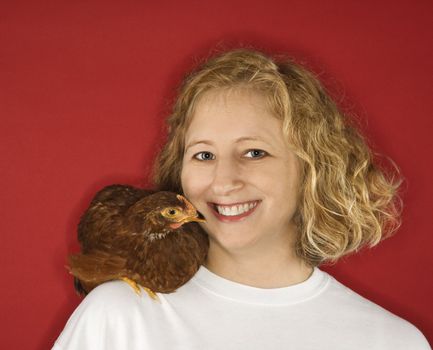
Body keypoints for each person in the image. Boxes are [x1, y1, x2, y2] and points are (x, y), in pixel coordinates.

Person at [52, 48, 431, 349]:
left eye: (253, 152)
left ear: (313, 169)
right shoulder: (120, 316)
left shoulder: (392, 342)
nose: (224, 180)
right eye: (203, 155)